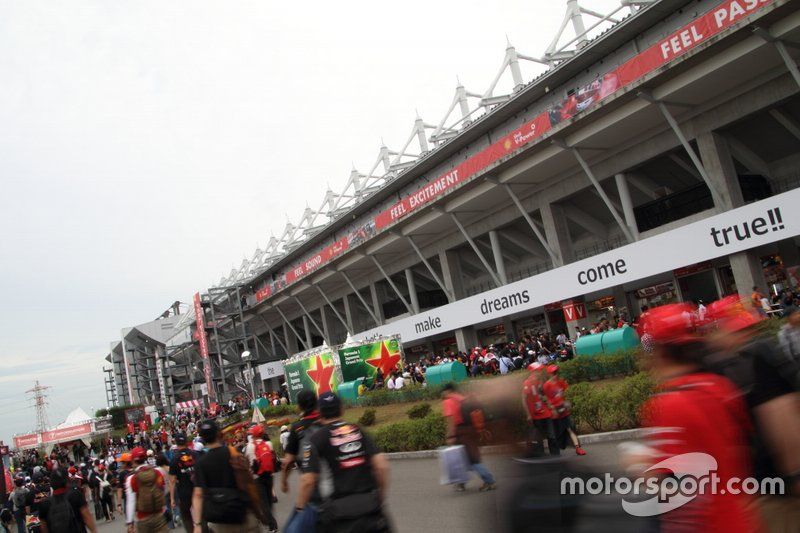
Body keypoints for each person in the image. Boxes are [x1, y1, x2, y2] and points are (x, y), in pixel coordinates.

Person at [633, 303, 762, 532]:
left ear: (659, 352)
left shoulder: (667, 405)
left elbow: (677, 493)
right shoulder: (722, 388)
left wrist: (644, 469)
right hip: (743, 519)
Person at [297, 392, 391, 532]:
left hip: (338, 514)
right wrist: (379, 496)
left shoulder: (316, 439)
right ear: (341, 409)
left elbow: (308, 480)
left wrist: (300, 508)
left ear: (320, 413)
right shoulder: (358, 430)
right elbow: (382, 466)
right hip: (370, 508)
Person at [192, 419, 263, 533]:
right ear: (218, 434)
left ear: (203, 439)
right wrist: (258, 510)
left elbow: (198, 494)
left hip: (220, 522)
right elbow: (248, 481)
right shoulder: (232, 452)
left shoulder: (201, 463)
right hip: (243, 513)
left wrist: (197, 524)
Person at [441, 383, 496, 491]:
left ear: (447, 391)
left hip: (461, 431)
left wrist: (450, 436)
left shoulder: (448, 401)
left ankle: (489, 481)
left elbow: (451, 420)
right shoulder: (462, 398)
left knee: (471, 458)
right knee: (462, 457)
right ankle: (461, 483)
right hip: (472, 429)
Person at [280, 390, 320, 495]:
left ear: (299, 406)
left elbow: (288, 461)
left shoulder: (297, 428)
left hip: (312, 485)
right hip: (335, 483)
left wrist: (284, 482)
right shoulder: (326, 421)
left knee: (299, 510)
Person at [542, 365, 585, 455]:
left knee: (570, 428)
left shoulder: (561, 382)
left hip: (563, 409)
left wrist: (567, 402)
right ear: (549, 374)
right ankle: (556, 451)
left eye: (556, 373)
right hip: (554, 411)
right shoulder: (547, 385)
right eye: (553, 373)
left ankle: (578, 448)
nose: (555, 375)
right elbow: (545, 398)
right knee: (556, 431)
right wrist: (552, 408)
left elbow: (567, 392)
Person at [38, 468, 98, 533]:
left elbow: (44, 528)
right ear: (67, 480)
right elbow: (86, 516)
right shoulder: (75, 494)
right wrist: (94, 531)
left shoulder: (45, 503)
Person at [244, 425, 278, 532]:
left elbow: (249, 462)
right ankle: (271, 520)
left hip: (257, 477)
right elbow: (273, 458)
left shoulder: (250, 446)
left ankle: (272, 524)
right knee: (269, 500)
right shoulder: (269, 444)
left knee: (263, 502)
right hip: (270, 475)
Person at [125, 447, 167, 533]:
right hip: (159, 515)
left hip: (143, 518)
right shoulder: (157, 472)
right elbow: (163, 490)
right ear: (145, 458)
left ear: (133, 461)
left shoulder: (131, 478)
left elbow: (131, 502)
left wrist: (130, 522)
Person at [523, 363, 559, 457]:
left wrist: (552, 408)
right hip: (535, 415)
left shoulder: (540, 382)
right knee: (539, 438)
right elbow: (524, 399)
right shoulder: (527, 383)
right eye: (538, 371)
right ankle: (541, 456)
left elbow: (544, 396)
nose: (540, 372)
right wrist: (528, 414)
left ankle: (555, 455)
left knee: (552, 435)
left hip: (546, 413)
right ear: (533, 372)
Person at [169, 433, 197, 533]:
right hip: (198, 489)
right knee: (201, 513)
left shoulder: (174, 460)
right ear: (186, 441)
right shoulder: (195, 454)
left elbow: (172, 481)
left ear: (176, 443)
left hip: (184, 492)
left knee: (186, 515)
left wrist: (172, 498)